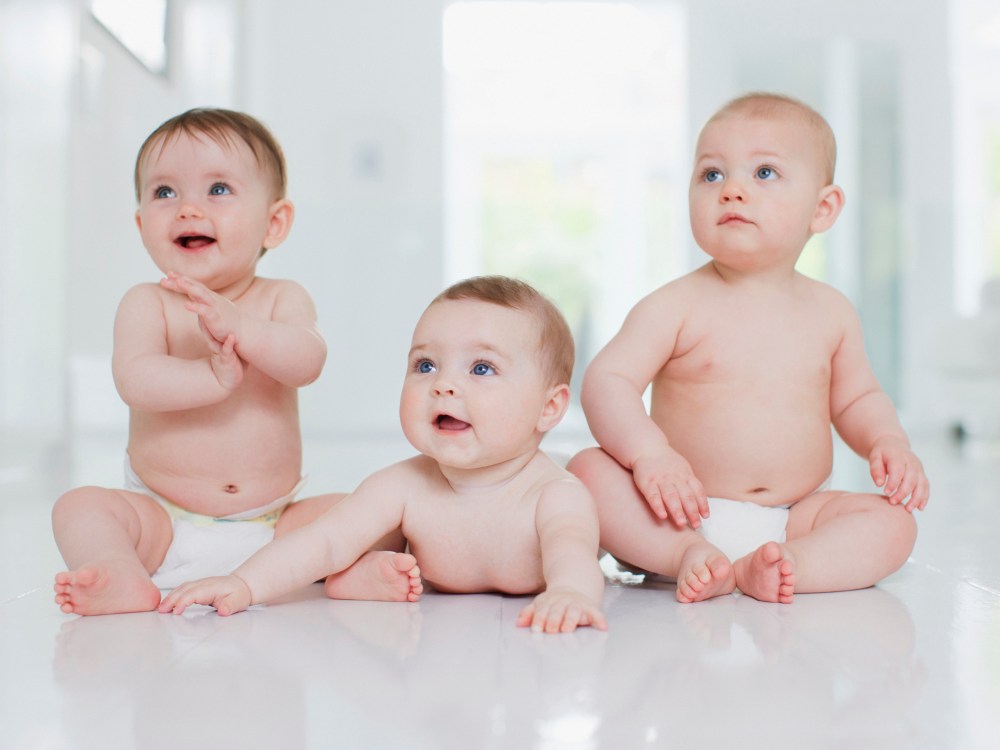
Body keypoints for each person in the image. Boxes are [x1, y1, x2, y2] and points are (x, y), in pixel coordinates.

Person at [567, 92, 930, 604]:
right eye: (712, 175)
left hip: (794, 517)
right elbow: (608, 382)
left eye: (764, 174)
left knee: (894, 524)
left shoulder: (832, 312)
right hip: (675, 512)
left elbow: (856, 400)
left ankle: (791, 566)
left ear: (822, 209)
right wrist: (650, 456)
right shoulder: (675, 305)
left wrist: (888, 442)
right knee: (586, 471)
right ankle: (684, 556)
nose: (732, 190)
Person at [158, 276, 608, 634]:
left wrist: (571, 593)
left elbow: (573, 554)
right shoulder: (406, 484)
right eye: (425, 365)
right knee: (344, 529)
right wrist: (243, 583)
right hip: (429, 611)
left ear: (549, 408)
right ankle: (361, 577)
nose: (443, 384)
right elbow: (325, 540)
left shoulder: (555, 494)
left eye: (481, 368)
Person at [53, 108, 338, 616]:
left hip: (275, 526)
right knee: (79, 508)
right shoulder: (148, 302)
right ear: (142, 224)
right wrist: (210, 376)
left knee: (371, 512)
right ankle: (120, 574)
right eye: (165, 192)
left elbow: (307, 360)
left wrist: (243, 330)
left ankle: (351, 571)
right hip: (163, 519)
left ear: (274, 223)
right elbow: (136, 380)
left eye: (219, 189)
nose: (187, 209)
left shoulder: (281, 299)